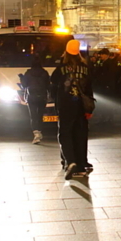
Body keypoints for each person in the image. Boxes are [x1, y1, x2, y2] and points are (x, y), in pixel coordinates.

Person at [52, 39, 94, 180]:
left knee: (65, 133)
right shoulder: (85, 67)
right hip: (81, 106)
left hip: (65, 105)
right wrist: (89, 109)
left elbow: (53, 86)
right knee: (80, 134)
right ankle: (81, 165)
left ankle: (70, 161)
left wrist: (56, 103)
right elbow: (89, 89)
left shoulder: (60, 68)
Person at [21, 57, 51, 144]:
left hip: (31, 97)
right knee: (40, 115)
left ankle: (36, 133)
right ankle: (40, 131)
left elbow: (24, 85)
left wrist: (21, 78)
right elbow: (48, 85)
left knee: (33, 116)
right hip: (42, 97)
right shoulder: (44, 73)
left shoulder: (28, 73)